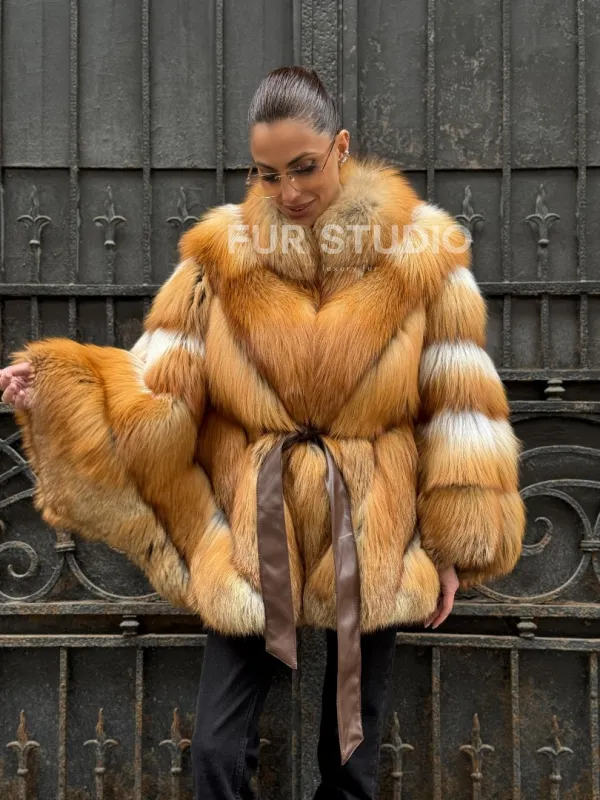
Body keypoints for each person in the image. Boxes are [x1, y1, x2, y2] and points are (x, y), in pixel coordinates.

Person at [0, 66, 526, 799]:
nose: (288, 191)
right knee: (217, 750)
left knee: (353, 756)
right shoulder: (221, 256)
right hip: (251, 521)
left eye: (304, 167)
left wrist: (454, 546)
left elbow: (460, 407)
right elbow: (158, 387)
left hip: (374, 521)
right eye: (268, 173)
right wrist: (60, 384)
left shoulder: (423, 256)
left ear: (341, 147)